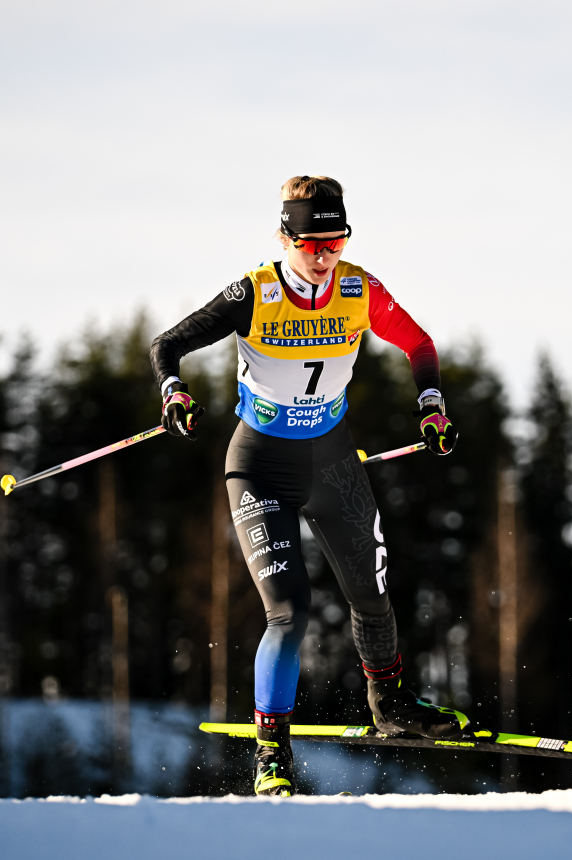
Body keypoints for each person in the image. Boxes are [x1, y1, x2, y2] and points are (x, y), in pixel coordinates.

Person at [149, 175, 471, 797]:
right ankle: (272, 754)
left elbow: (418, 342)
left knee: (371, 595)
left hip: (332, 464)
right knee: (290, 612)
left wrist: (430, 405)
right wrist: (173, 390)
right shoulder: (254, 291)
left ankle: (392, 706)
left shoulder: (359, 289)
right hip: (259, 465)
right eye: (310, 244)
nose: (323, 257)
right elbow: (169, 344)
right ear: (284, 236)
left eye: (335, 242)